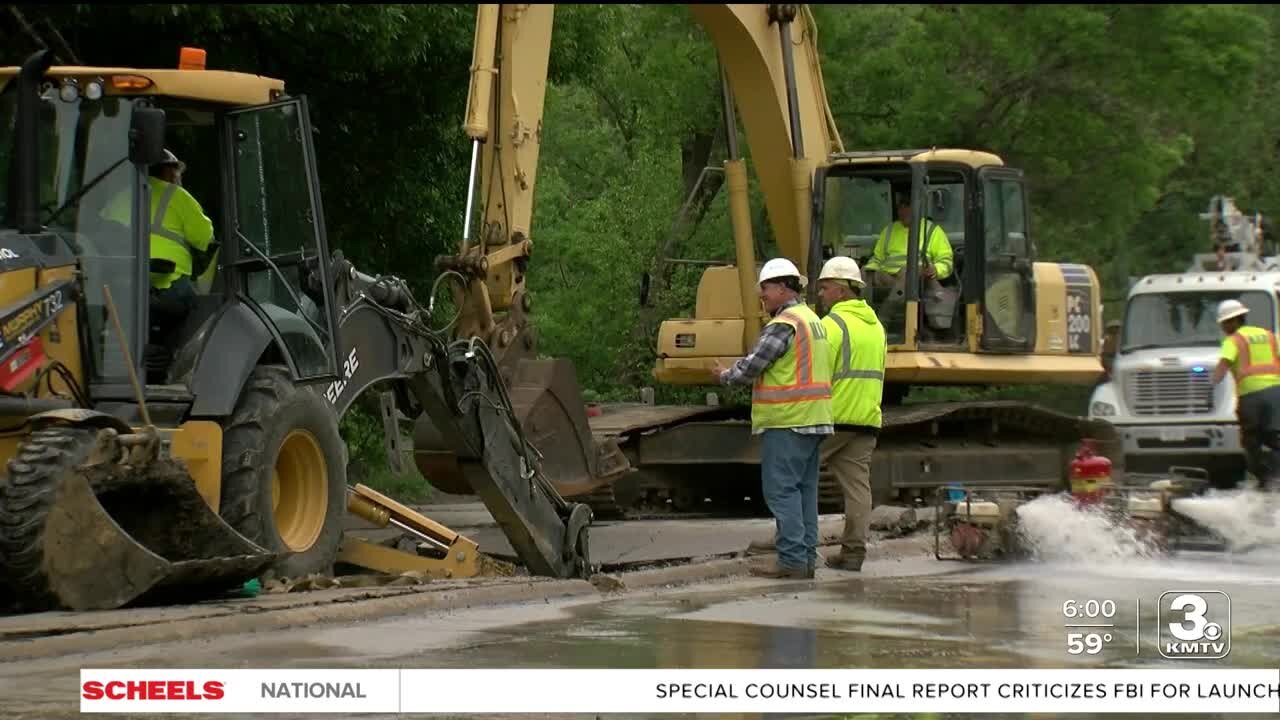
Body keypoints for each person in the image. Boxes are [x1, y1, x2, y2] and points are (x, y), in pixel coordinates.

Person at [714, 257, 833, 579]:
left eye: (765, 288)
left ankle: (792, 561)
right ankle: (806, 558)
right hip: (815, 418)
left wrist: (725, 375)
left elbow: (754, 365)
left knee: (781, 491)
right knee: (804, 492)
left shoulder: (785, 323)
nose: (761, 295)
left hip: (788, 420)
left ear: (782, 287)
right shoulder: (813, 320)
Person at [101, 149, 216, 369]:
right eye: (176, 172)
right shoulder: (179, 196)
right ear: (168, 171)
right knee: (198, 308)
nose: (178, 177)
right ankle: (175, 359)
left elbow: (103, 235)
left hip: (121, 286)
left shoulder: (121, 197)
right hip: (168, 284)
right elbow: (204, 238)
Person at [814, 255, 886, 571]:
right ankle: (854, 553)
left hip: (834, 417)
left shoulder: (831, 325)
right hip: (866, 418)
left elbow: (815, 373)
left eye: (825, 287)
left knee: (794, 479)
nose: (820, 294)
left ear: (841, 291)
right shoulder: (877, 327)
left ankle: (790, 544)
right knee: (858, 490)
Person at [1211, 299, 1280, 490]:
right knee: (1275, 438)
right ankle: (1276, 478)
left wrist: (1210, 387)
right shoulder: (1269, 336)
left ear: (1233, 321)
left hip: (1251, 396)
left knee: (1251, 440)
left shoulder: (1233, 340)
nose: (1223, 328)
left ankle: (1263, 481)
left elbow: (1223, 365)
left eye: (1224, 323)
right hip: (1276, 394)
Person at [863, 191, 954, 289]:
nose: (903, 211)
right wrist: (869, 270)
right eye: (900, 207)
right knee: (862, 273)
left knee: (907, 273)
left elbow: (946, 262)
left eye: (907, 206)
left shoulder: (932, 230)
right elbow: (877, 259)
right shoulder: (889, 230)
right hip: (887, 278)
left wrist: (936, 269)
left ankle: (896, 296)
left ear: (917, 207)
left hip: (917, 282)